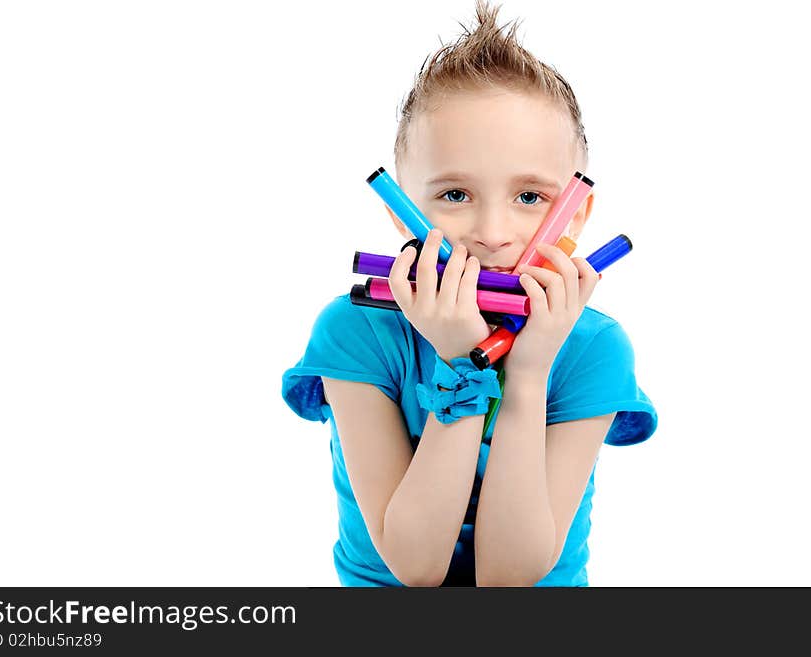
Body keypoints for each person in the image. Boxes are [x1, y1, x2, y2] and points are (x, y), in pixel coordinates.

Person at [281, 0, 657, 587]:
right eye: (454, 194)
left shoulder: (593, 348)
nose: (492, 233)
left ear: (575, 214)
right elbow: (414, 566)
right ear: (401, 211)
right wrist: (463, 364)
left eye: (530, 198)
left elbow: (512, 577)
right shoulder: (355, 329)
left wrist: (527, 375)